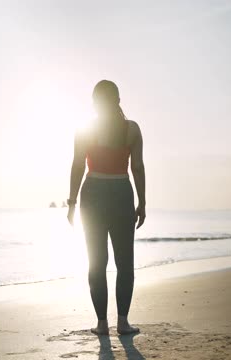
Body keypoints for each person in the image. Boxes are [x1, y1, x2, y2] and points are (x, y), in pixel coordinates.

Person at [66, 80, 146, 336]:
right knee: (125, 263)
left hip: (93, 194)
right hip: (122, 193)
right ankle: (122, 323)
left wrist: (72, 203)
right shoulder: (131, 129)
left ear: (94, 102)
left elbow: (78, 165)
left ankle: (102, 324)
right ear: (118, 100)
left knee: (96, 263)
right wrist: (142, 202)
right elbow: (137, 168)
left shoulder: (85, 130)